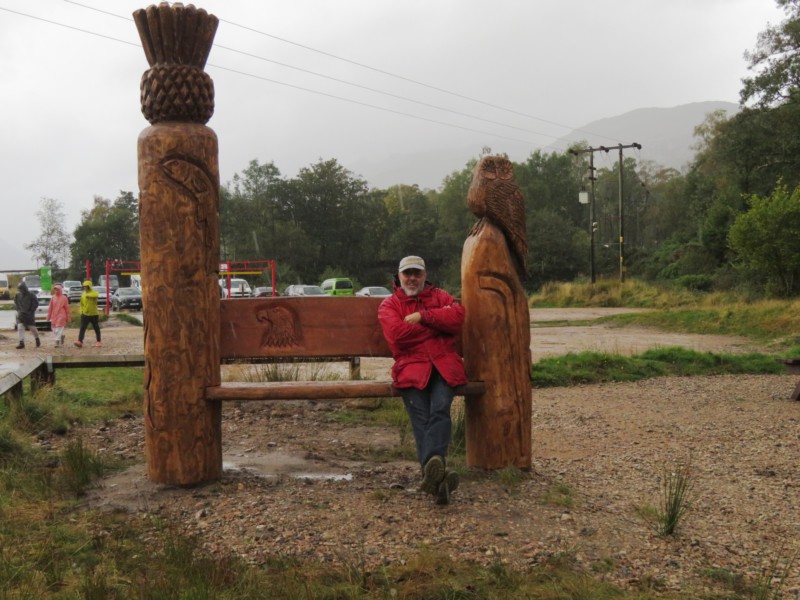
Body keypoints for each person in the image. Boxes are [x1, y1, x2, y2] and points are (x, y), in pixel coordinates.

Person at [378, 255, 467, 505]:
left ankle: (432, 473)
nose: (412, 278)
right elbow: (397, 335)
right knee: (422, 419)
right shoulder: (389, 305)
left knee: (440, 409)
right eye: (408, 273)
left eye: (417, 273)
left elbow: (458, 318)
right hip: (411, 370)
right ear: (399, 276)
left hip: (444, 367)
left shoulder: (440, 296)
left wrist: (423, 317)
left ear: (425, 275)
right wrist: (438, 325)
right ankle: (438, 477)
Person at [74, 280, 102, 348]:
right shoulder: (83, 294)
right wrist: (81, 311)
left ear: (89, 286)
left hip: (94, 314)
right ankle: (80, 341)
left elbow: (95, 295)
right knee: (82, 328)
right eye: (84, 286)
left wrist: (88, 296)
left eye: (86, 286)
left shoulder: (94, 293)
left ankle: (98, 341)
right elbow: (81, 304)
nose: (85, 288)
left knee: (96, 328)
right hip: (85, 314)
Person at [14, 281, 41, 349]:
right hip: (21, 314)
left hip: (29, 315)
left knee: (33, 329)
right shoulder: (17, 295)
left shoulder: (31, 295)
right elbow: (16, 302)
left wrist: (31, 311)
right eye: (19, 289)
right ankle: (21, 342)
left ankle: (37, 338)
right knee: (20, 328)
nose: (21, 290)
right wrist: (18, 309)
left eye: (22, 289)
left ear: (25, 288)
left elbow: (36, 303)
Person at [47, 283, 71, 347]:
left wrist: (68, 318)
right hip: (54, 315)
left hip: (61, 315)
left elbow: (67, 308)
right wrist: (48, 317)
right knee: (54, 329)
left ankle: (57, 342)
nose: (56, 291)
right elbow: (50, 308)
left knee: (59, 329)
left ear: (60, 290)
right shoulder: (53, 298)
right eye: (55, 290)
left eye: (57, 289)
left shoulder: (64, 298)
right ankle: (61, 336)